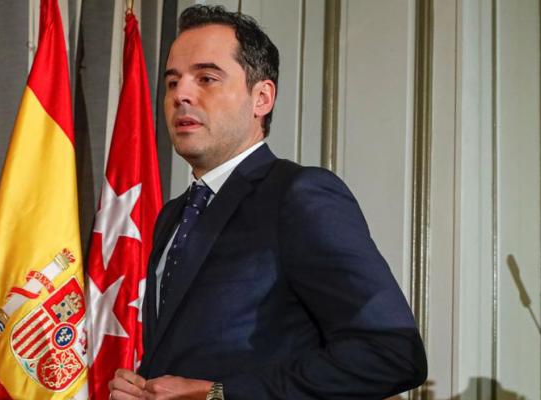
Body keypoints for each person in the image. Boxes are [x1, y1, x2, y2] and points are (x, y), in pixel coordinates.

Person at [109, 5, 427, 400]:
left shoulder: (300, 195)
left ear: (261, 98)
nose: (181, 95)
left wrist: (219, 393)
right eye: (173, 82)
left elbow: (392, 353)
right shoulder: (172, 215)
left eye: (206, 78)